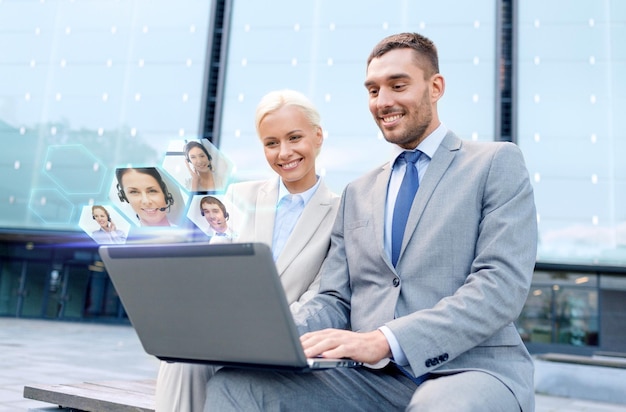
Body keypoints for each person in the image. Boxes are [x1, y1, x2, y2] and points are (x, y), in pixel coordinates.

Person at [203, 32, 538, 412]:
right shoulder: (358, 192)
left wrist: (385, 339)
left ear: (436, 87)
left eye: (398, 85)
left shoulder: (495, 163)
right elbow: (334, 298)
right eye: (373, 90)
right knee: (235, 385)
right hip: (370, 378)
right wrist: (263, 332)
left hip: (471, 371)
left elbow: (500, 287)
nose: (384, 101)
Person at [155, 89, 341, 411]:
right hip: (225, 334)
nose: (284, 153)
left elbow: (324, 295)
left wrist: (261, 331)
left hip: (289, 343)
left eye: (294, 138)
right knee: (182, 359)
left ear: (318, 136)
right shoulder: (241, 197)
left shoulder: (342, 211)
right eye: (271, 143)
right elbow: (212, 275)